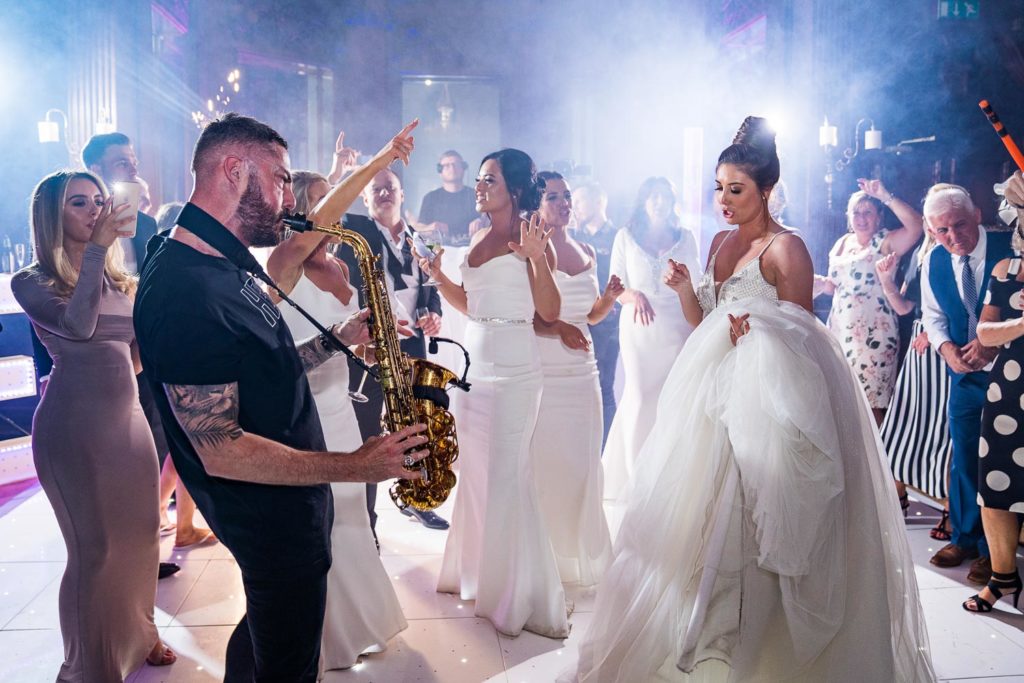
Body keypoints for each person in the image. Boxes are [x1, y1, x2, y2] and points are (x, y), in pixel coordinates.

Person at [565, 117, 936, 683]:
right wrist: (688, 288)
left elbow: (805, 340)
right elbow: (705, 323)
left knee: (755, 527)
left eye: (735, 189)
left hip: (768, 407)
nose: (723, 201)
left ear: (766, 190)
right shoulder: (717, 242)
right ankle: (706, 641)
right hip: (713, 398)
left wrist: (759, 334)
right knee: (701, 523)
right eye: (718, 188)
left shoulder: (788, 249)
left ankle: (761, 651)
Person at [133, 113, 429, 682]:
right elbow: (220, 447)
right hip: (270, 515)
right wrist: (352, 465)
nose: (287, 196)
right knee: (289, 664)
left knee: (266, 637)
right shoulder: (188, 289)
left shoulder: (224, 263)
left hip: (289, 504)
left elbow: (264, 366)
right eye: (280, 178)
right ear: (234, 170)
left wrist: (336, 341)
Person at [12, 170, 175, 680]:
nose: (94, 210)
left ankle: (142, 632)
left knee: (144, 535)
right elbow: (79, 327)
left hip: (128, 422)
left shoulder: (121, 280)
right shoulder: (33, 281)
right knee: (96, 549)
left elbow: (132, 358)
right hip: (74, 428)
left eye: (98, 201)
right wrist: (100, 251)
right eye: (79, 203)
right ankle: (87, 663)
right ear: (51, 217)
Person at [422, 148, 569, 638]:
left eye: (490, 180)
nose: (480, 187)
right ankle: (476, 575)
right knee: (479, 476)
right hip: (474, 371)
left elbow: (548, 312)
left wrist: (535, 261)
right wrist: (441, 279)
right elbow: (474, 303)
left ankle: (515, 596)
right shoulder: (481, 235)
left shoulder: (532, 238)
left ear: (515, 189)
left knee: (508, 477)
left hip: (515, 373)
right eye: (480, 179)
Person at [268, 170, 407, 668]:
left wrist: (374, 338)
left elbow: (350, 342)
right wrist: (341, 337)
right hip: (305, 411)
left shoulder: (341, 268)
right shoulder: (281, 269)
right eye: (326, 202)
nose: (338, 213)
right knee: (318, 524)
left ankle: (356, 627)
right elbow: (280, 362)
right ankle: (323, 639)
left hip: (343, 405)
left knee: (352, 515)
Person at [82, 131, 186, 576]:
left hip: (146, 358)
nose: (132, 169)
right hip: (96, 363)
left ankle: (146, 549)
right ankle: (111, 552)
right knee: (108, 460)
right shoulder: (77, 227)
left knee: (152, 446)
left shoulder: (146, 227)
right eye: (121, 163)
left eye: (133, 160)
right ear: (96, 171)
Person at [337, 166, 450, 532]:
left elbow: (433, 296)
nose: (385, 194)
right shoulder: (354, 231)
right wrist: (340, 171)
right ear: (365, 198)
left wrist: (433, 315)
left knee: (417, 430)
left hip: (412, 349)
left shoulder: (424, 241)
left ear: (403, 194)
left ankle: (416, 498)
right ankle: (367, 522)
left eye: (391, 188)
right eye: (376, 190)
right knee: (369, 435)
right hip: (368, 350)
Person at [531, 172, 621, 586]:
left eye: (567, 197)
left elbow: (589, 317)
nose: (564, 203)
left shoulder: (586, 249)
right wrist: (558, 330)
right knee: (551, 464)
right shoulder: (534, 250)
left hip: (584, 371)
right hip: (548, 369)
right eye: (553, 197)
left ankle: (578, 552)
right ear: (537, 203)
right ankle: (546, 558)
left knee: (584, 463)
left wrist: (609, 298)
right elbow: (528, 317)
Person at [920, 182, 1011, 585]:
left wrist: (996, 343)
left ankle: (998, 555)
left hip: (1013, 374)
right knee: (966, 458)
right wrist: (946, 350)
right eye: (942, 230)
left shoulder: (1013, 247)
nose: (953, 237)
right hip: (964, 377)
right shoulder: (935, 260)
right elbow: (934, 316)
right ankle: (966, 538)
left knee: (1003, 462)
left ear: (977, 215)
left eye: (959, 225)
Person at [602, 177, 700, 500]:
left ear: (673, 202)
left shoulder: (686, 239)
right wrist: (634, 296)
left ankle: (667, 480)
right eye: (653, 196)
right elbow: (614, 289)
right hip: (640, 328)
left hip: (677, 328)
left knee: (672, 402)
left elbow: (697, 285)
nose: (658, 202)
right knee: (641, 397)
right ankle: (635, 482)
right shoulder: (625, 237)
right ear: (643, 202)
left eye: (664, 197)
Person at [814, 180, 924, 425]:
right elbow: (834, 286)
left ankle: (878, 460)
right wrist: (819, 283)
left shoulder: (886, 241)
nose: (861, 218)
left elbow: (917, 226)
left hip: (875, 332)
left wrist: (885, 195)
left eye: (867, 212)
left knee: (871, 401)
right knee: (843, 398)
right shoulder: (842, 243)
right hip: (841, 329)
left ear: (878, 217)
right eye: (856, 212)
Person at [964, 169, 1024, 614]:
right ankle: (1003, 577)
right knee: (997, 483)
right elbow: (984, 332)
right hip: (1009, 389)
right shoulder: (1008, 269)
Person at [877, 229, 954, 531]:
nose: (936, 228)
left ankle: (951, 507)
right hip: (918, 350)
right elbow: (906, 307)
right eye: (930, 220)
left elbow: (963, 305)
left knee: (941, 432)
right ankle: (897, 495)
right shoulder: (922, 254)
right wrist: (886, 280)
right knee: (901, 424)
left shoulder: (957, 255)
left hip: (945, 344)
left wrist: (933, 333)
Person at [572, 181, 620, 444]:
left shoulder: (617, 236)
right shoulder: (573, 237)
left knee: (604, 386)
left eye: (579, 200)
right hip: (578, 320)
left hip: (608, 323)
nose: (574, 207)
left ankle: (604, 449)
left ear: (598, 201)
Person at [413, 149, 480, 243]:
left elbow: (492, 221)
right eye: (447, 165)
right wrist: (430, 227)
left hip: (473, 250)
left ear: (463, 168)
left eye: (456, 164)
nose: (452, 168)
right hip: (440, 252)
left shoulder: (477, 195)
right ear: (440, 171)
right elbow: (418, 228)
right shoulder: (430, 198)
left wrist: (482, 221)